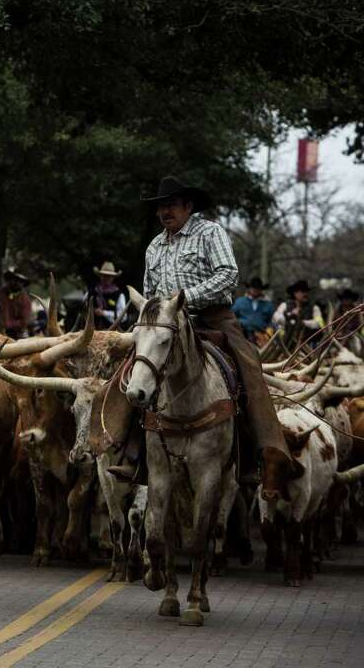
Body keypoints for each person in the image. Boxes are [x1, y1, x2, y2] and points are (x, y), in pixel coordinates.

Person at [102, 177, 290, 497]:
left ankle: (266, 456)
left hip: (213, 317)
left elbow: (228, 274)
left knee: (248, 365)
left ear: (189, 206)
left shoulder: (210, 233)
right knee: (132, 371)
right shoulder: (154, 246)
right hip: (166, 326)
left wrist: (186, 298)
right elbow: (149, 294)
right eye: (161, 206)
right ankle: (129, 453)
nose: (165, 211)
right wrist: (151, 320)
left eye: (171, 205)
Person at [272, 279, 324, 349]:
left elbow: (318, 323)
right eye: (302, 292)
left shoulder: (314, 308)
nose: (305, 294)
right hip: (286, 345)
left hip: (307, 346)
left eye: (306, 292)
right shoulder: (285, 305)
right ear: (295, 293)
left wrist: (302, 322)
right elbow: (276, 318)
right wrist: (290, 316)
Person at [231, 276, 274, 342]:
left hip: (261, 335)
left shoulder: (268, 304)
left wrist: (270, 329)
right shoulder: (240, 301)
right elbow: (232, 315)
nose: (255, 290)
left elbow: (271, 321)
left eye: (258, 288)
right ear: (249, 288)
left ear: (261, 289)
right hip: (242, 333)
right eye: (253, 288)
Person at [87, 261, 128, 331]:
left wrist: (104, 313)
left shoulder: (118, 294)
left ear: (113, 278)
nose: (106, 278)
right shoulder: (92, 292)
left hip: (111, 332)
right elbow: (84, 308)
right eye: (104, 275)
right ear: (100, 276)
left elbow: (123, 316)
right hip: (92, 331)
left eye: (109, 276)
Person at [0, 267, 33, 338]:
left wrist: (9, 324)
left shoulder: (25, 300)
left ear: (23, 284)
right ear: (10, 279)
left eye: (20, 281)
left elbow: (24, 321)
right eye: (15, 279)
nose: (17, 283)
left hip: (15, 335)